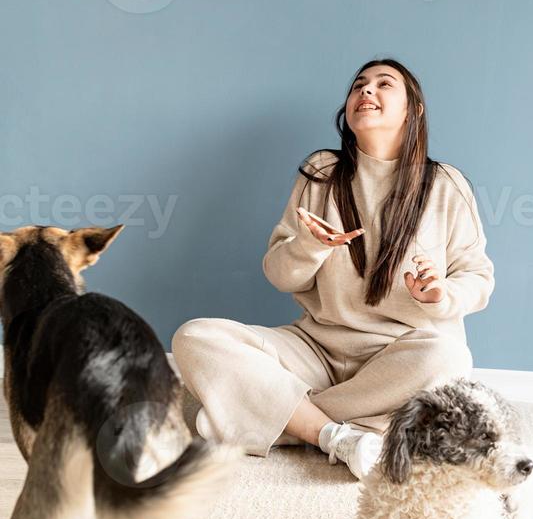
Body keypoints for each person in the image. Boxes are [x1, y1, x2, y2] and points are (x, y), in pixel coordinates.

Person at [172, 58, 495, 479]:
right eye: (359, 85)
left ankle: (284, 416)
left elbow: (479, 278)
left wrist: (441, 294)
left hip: (399, 355)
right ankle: (336, 434)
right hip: (316, 349)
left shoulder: (446, 184)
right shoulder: (322, 173)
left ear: (413, 110)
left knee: (449, 358)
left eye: (384, 85)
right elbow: (279, 274)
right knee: (195, 336)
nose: (366, 91)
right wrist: (309, 246)